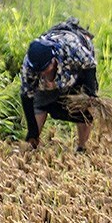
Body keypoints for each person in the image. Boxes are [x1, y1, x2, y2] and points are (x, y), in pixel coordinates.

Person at [20, 17, 99, 153]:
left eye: (45, 69)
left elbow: (89, 65)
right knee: (39, 103)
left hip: (77, 71)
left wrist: (90, 92)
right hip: (51, 83)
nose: (42, 73)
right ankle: (32, 145)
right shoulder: (29, 65)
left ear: (53, 60)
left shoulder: (72, 48)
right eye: (39, 71)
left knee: (84, 108)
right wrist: (32, 130)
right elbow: (27, 95)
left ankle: (82, 148)